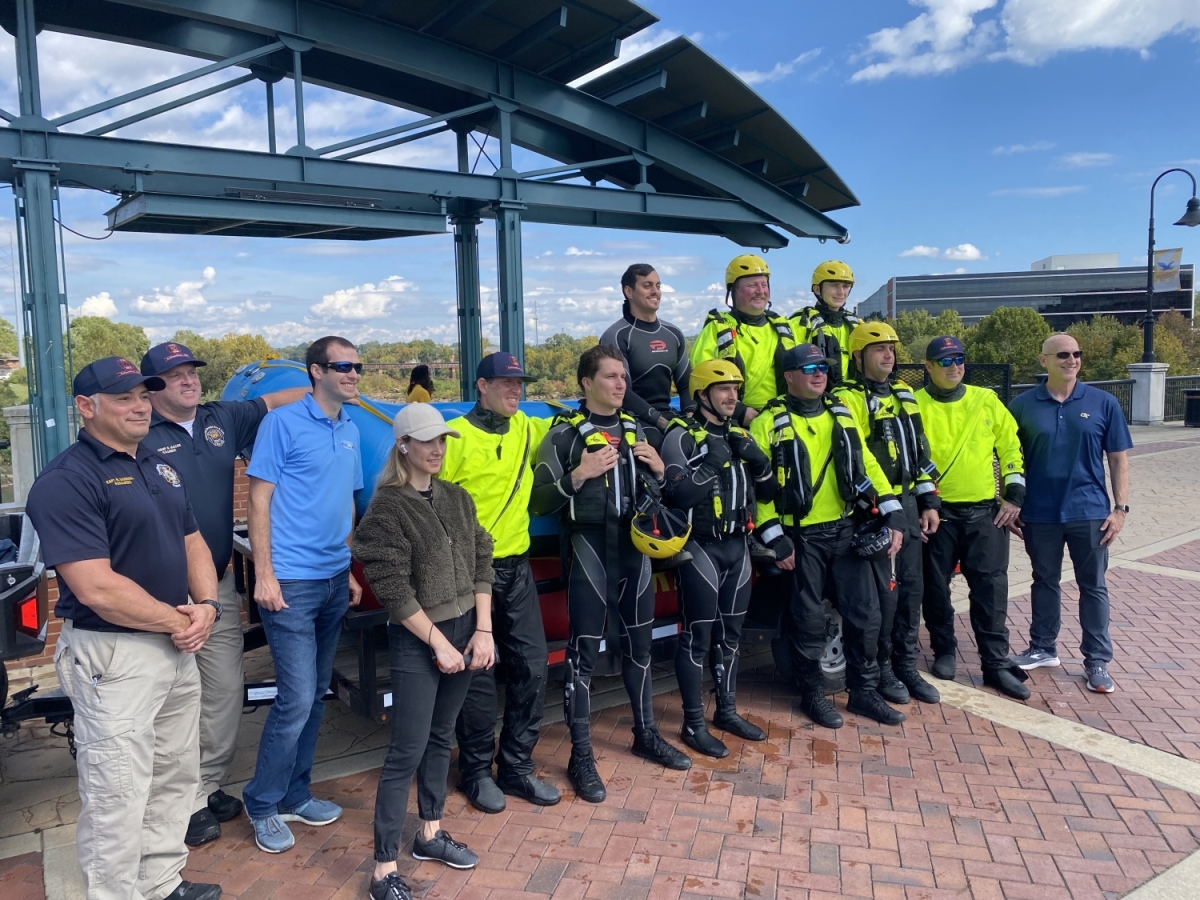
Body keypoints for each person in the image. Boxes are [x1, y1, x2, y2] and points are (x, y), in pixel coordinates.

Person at [26, 356, 221, 900]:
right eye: (123, 398)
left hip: (176, 643)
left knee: (174, 777)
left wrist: (206, 604)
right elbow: (95, 587)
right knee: (118, 793)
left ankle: (159, 881)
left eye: (143, 395)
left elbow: (193, 542)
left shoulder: (159, 464)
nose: (140, 406)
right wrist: (178, 621)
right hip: (115, 657)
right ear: (86, 408)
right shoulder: (66, 481)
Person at [141, 341, 309, 847]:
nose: (189, 380)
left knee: (221, 694)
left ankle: (205, 785)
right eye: (175, 376)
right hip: (157, 592)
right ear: (150, 389)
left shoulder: (221, 419)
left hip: (213, 586)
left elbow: (280, 401)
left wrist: (335, 385)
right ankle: (180, 802)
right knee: (171, 701)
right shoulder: (136, 432)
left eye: (192, 372)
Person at [530, 344, 690, 802]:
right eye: (611, 377)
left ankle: (645, 732)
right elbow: (538, 502)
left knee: (641, 646)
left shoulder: (636, 429)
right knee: (583, 653)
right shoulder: (563, 435)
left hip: (635, 551)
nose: (621, 385)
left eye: (624, 377)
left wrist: (659, 471)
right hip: (589, 548)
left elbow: (657, 495)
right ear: (586, 382)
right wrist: (577, 476)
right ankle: (581, 755)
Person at [354, 404, 496, 900]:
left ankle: (429, 834)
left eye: (442, 441)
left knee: (441, 737)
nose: (437, 449)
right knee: (406, 751)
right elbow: (392, 589)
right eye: (427, 441)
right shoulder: (387, 509)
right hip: (420, 639)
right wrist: (437, 643)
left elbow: (483, 561)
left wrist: (484, 631)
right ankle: (382, 868)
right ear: (403, 445)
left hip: (464, 632)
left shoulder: (458, 498)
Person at [242, 336, 364, 854]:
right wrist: (263, 575)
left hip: (335, 577)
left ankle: (296, 793)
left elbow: (346, 504)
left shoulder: (352, 429)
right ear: (316, 372)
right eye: (344, 366)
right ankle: (262, 802)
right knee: (294, 699)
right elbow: (258, 498)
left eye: (358, 366)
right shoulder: (282, 424)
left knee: (315, 694)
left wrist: (351, 570)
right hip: (290, 581)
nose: (354, 374)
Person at [750, 344, 907, 729]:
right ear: (788, 376)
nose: (818, 374)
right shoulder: (767, 422)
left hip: (845, 529)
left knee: (866, 616)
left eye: (822, 367)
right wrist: (775, 538)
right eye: (808, 368)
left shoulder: (842, 412)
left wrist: (894, 511)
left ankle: (864, 693)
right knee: (807, 623)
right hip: (802, 538)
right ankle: (813, 695)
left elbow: (866, 462)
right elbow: (758, 487)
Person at [442, 353, 559, 813]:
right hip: (470, 572)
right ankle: (474, 771)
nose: (516, 391)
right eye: (507, 383)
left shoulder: (529, 428)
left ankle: (516, 767)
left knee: (533, 665)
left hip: (516, 566)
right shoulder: (456, 438)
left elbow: (575, 433)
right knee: (478, 674)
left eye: (521, 384)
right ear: (482, 384)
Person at [661, 360, 774, 758]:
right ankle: (693, 724)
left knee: (730, 636)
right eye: (723, 389)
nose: (732, 397)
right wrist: (711, 462)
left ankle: (726, 711)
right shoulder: (681, 437)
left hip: (737, 548)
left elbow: (771, 491)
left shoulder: (741, 434)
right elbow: (675, 496)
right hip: (701, 549)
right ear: (702, 394)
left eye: (736, 390)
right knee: (697, 637)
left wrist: (759, 462)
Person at [1009, 333, 1132, 694]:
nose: (1072, 360)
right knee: (1043, 580)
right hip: (1039, 512)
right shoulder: (1022, 405)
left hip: (1090, 511)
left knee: (1092, 586)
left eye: (1077, 354)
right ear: (1043, 360)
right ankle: (1043, 648)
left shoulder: (1103, 402)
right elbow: (1004, 456)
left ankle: (1097, 660)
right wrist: (1009, 499)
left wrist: (1120, 509)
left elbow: (1118, 458)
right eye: (1063, 354)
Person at [914, 336, 1030, 699]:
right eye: (945, 361)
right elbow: (913, 458)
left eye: (959, 359)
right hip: (937, 513)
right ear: (929, 367)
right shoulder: (913, 405)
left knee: (991, 589)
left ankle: (994, 663)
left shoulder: (986, 400)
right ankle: (943, 650)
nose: (954, 366)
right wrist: (927, 500)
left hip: (984, 513)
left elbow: (1010, 446)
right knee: (935, 588)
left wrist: (1013, 494)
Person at [834, 323, 942, 706]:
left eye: (891, 349)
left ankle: (905, 666)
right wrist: (887, 507)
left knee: (911, 589)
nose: (888, 355)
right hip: (874, 508)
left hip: (908, 502)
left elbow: (920, 450)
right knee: (883, 597)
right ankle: (881, 669)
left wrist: (929, 500)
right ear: (858, 355)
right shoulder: (846, 398)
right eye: (878, 348)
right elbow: (857, 455)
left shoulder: (904, 394)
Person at [689, 254, 798, 425]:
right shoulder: (717, 327)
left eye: (764, 285)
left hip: (781, 417)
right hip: (733, 420)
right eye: (752, 285)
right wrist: (739, 411)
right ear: (734, 290)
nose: (760, 291)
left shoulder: (783, 326)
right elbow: (700, 376)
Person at [599, 263, 693, 449]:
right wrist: (660, 421)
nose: (655, 291)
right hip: (631, 419)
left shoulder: (673, 333)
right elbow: (621, 391)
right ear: (629, 291)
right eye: (647, 285)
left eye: (658, 286)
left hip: (667, 415)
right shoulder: (617, 335)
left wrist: (691, 416)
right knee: (663, 445)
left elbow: (687, 384)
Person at [791, 261, 863, 387]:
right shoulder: (800, 323)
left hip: (853, 398)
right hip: (816, 400)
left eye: (846, 286)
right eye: (834, 285)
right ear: (817, 289)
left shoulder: (857, 325)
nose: (841, 292)